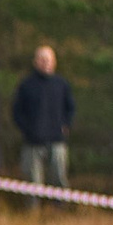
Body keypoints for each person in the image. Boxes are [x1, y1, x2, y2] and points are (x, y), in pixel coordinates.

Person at [11, 45, 74, 199]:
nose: (45, 63)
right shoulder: (26, 85)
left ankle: (59, 211)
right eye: (42, 59)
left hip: (57, 141)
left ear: (54, 62)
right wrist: (27, 130)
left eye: (49, 59)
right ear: (35, 62)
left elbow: (70, 108)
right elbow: (16, 111)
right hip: (33, 143)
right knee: (32, 184)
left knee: (59, 179)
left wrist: (66, 125)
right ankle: (33, 214)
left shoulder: (62, 84)